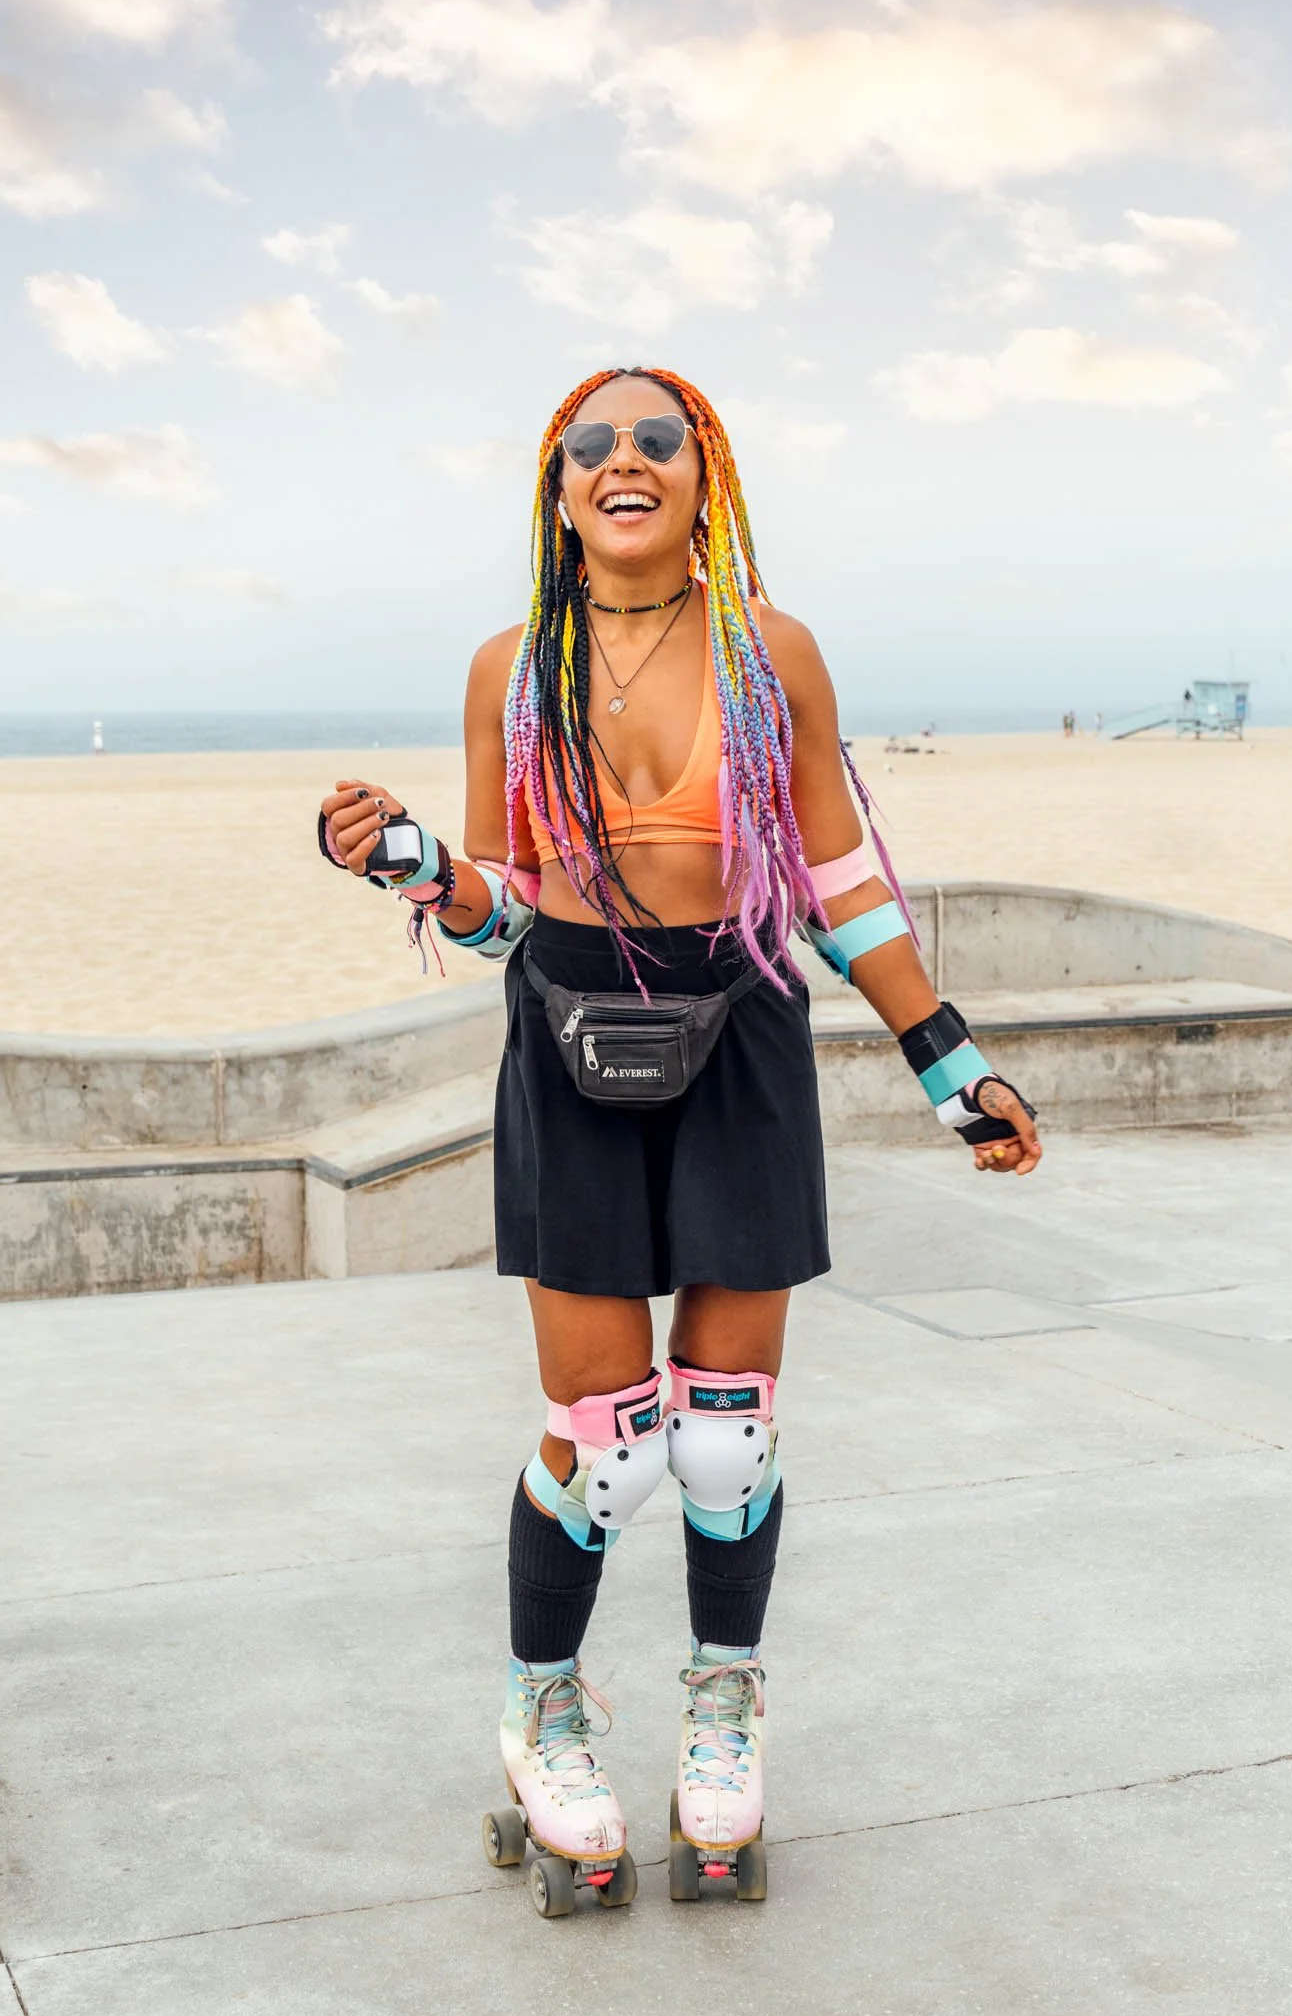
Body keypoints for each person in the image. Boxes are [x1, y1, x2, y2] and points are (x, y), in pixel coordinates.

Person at [319, 367, 1042, 1914]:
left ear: (705, 475)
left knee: (725, 1428)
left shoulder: (771, 653)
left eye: (660, 439)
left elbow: (839, 877)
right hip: (566, 1031)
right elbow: (502, 904)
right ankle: (542, 1710)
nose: (623, 461)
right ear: (556, 486)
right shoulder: (508, 671)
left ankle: (724, 1704)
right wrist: (414, 865)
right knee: (608, 1441)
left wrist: (946, 1058)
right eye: (591, 446)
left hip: (743, 1027)